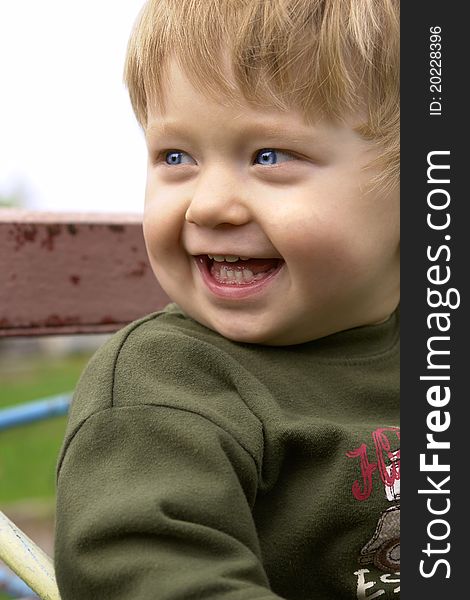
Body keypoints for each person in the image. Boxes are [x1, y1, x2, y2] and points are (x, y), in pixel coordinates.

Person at [54, 0, 400, 598]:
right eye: (176, 157)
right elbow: (150, 572)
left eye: (269, 156)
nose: (208, 204)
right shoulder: (163, 387)